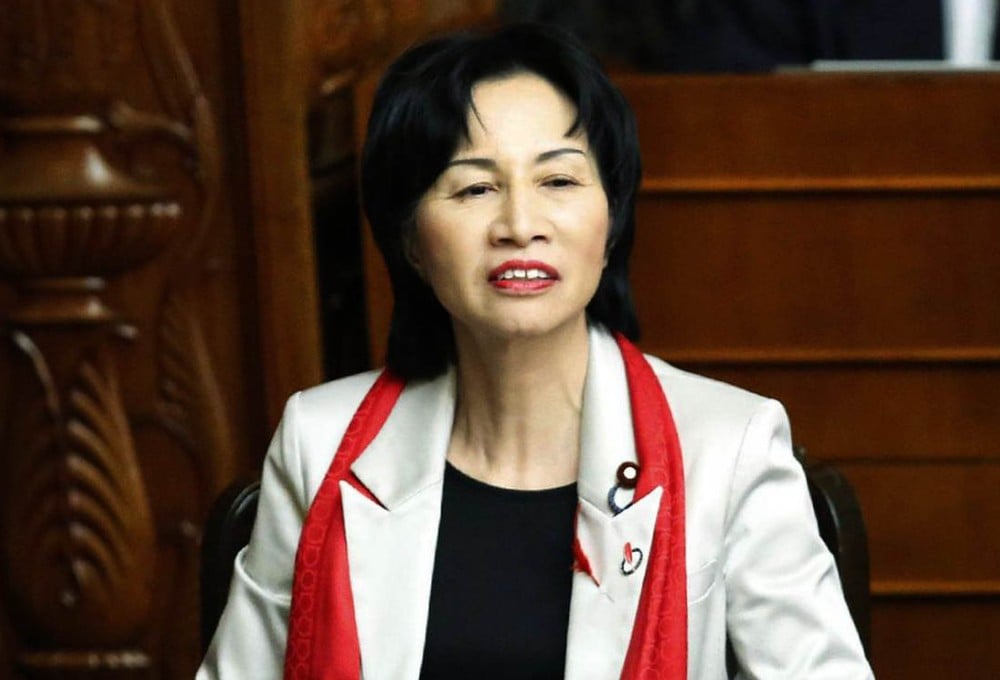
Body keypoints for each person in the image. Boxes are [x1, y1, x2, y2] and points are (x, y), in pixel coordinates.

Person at [198, 23, 873, 679]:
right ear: (411, 240)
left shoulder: (730, 450)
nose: (520, 226)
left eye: (558, 182)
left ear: (610, 222)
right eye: (474, 188)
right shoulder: (320, 445)